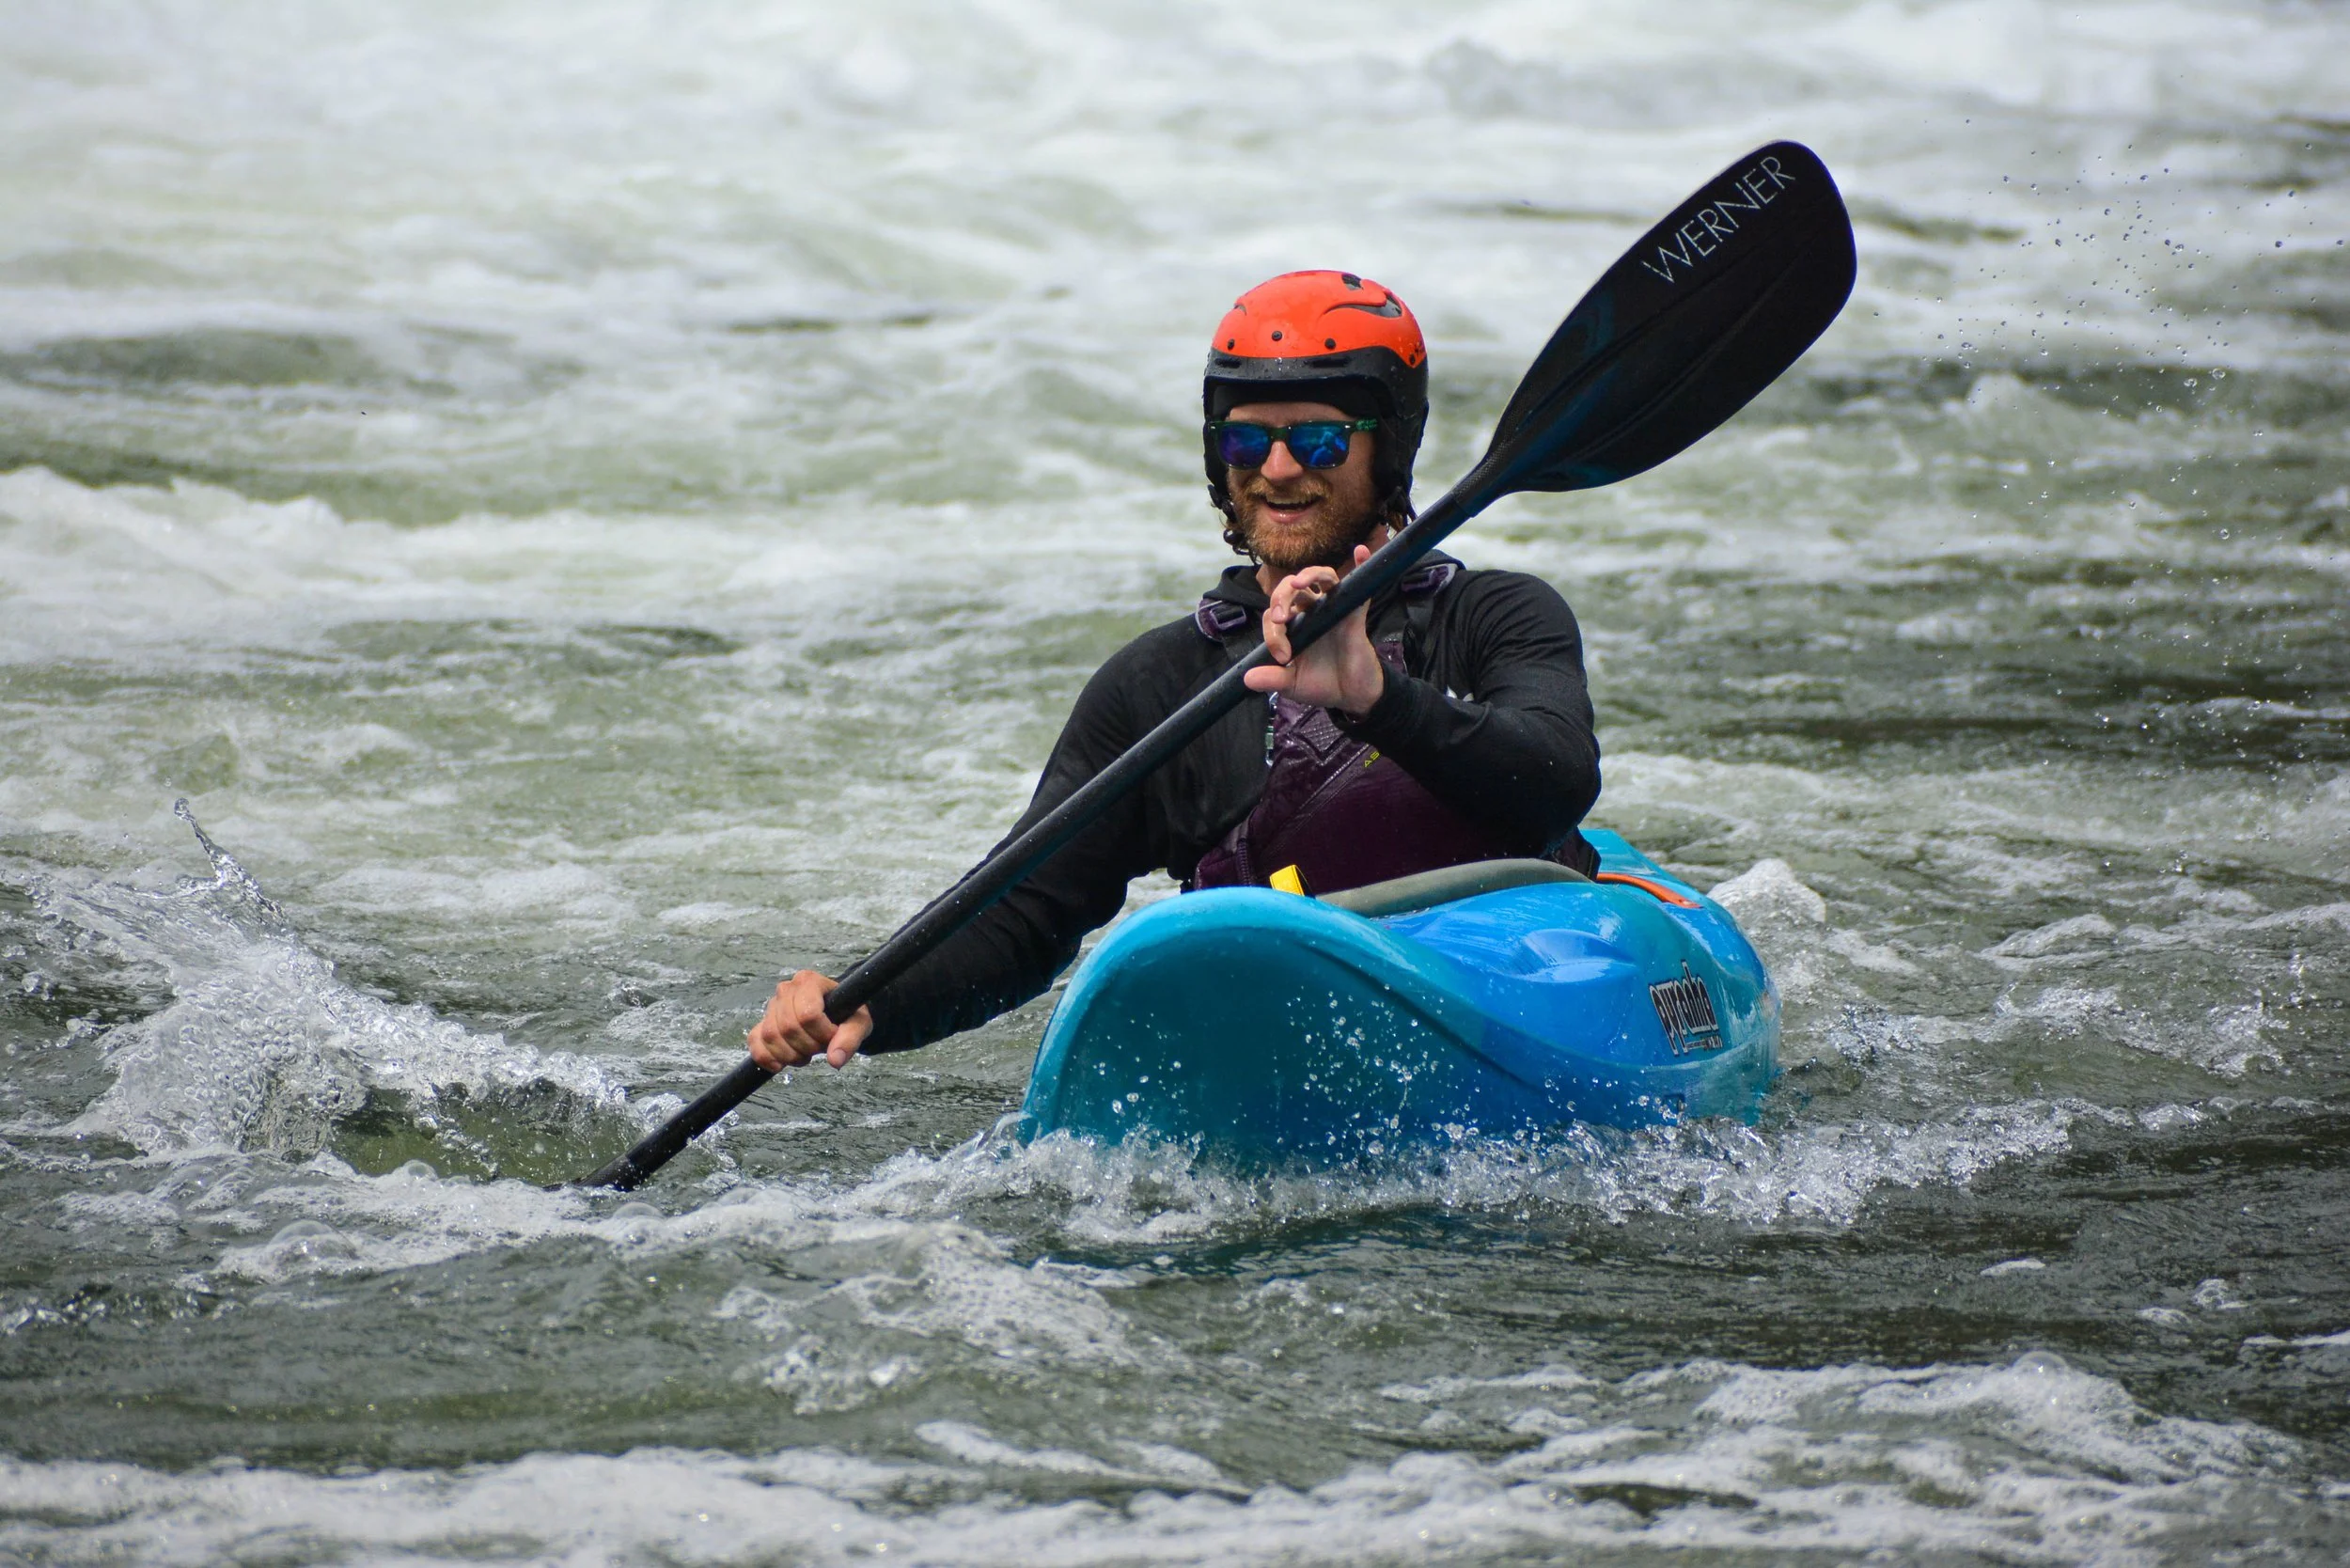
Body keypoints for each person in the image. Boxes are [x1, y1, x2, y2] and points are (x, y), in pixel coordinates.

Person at [748, 270, 1601, 1070]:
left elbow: (1555, 783)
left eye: (1319, 440)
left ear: (1388, 451)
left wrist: (1379, 701)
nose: (1277, 470)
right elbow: (1031, 909)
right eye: (1246, 439)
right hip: (1298, 1036)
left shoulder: (1493, 616)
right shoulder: (1162, 683)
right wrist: (869, 999)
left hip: (1519, 998)